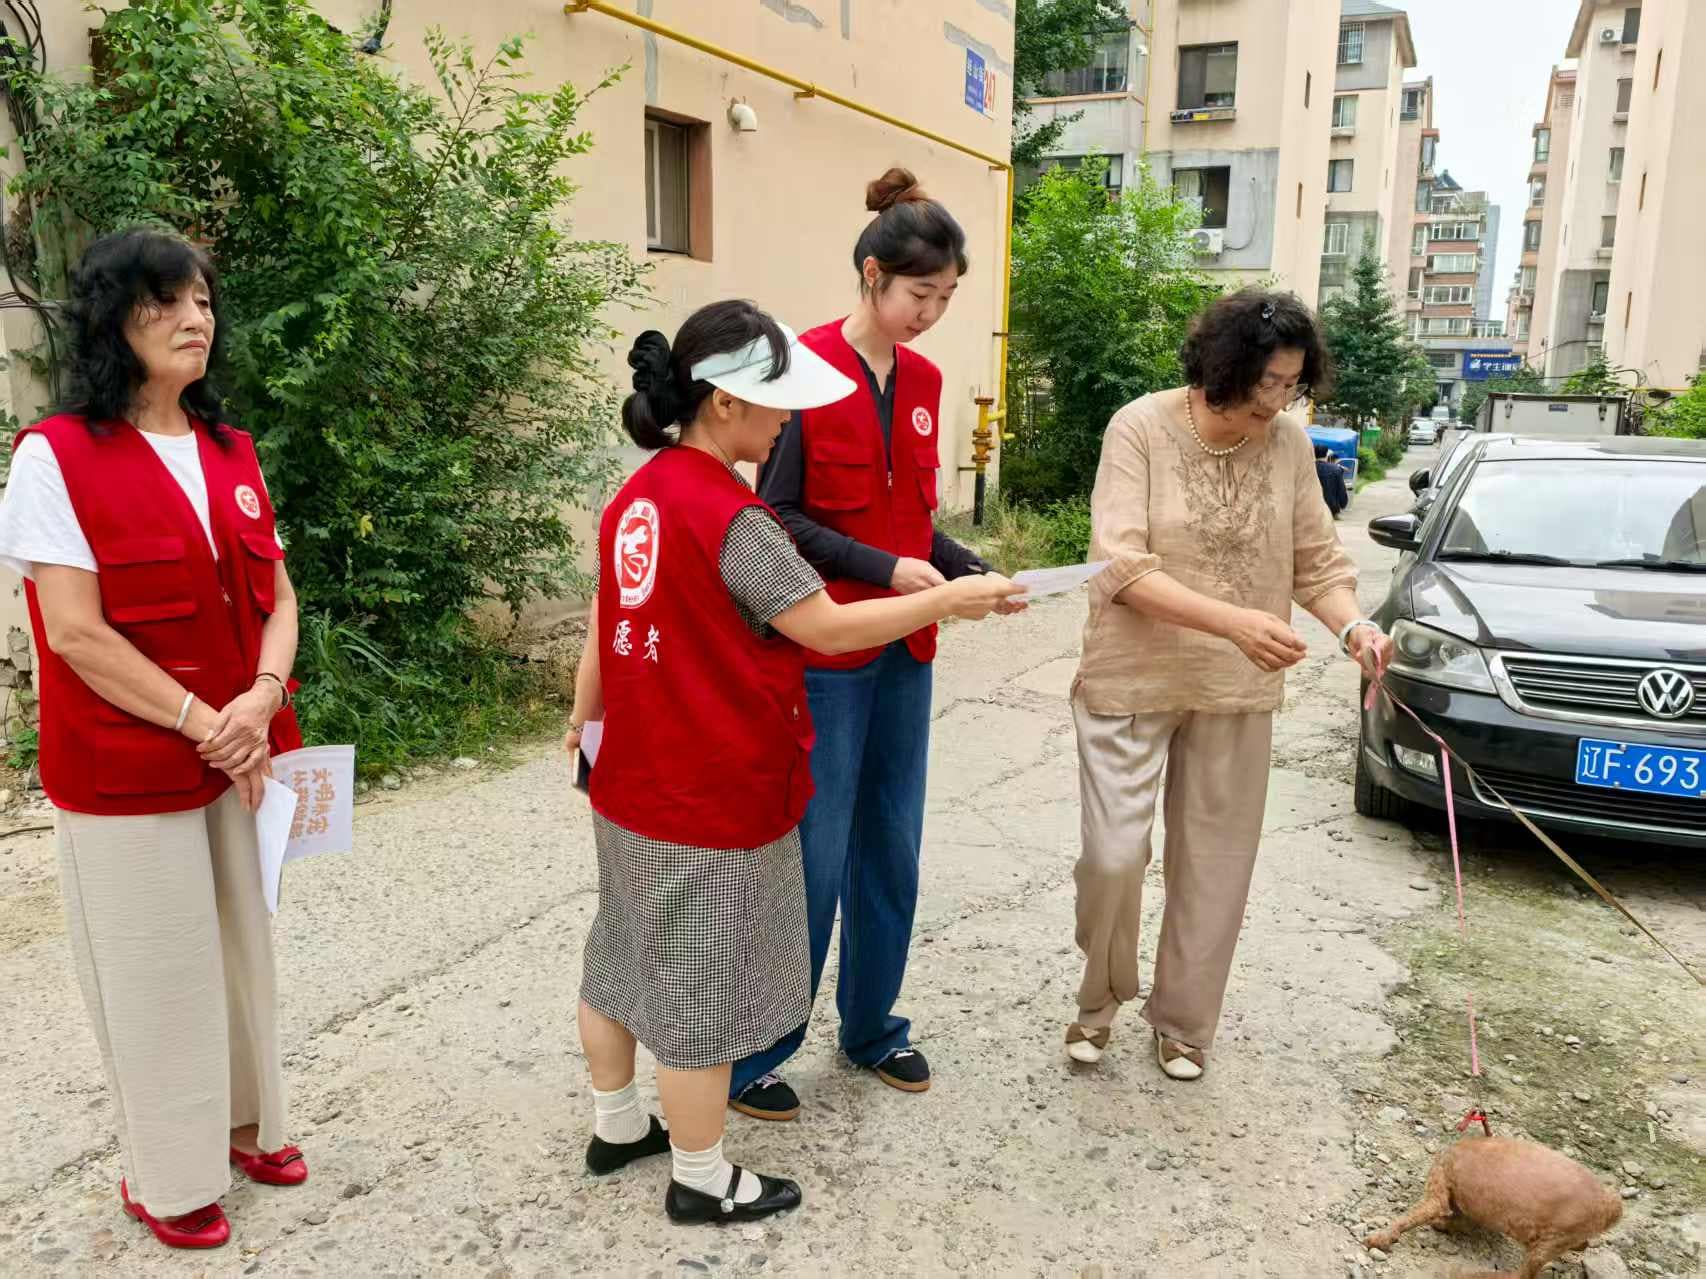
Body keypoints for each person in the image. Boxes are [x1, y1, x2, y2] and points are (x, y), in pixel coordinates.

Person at [565, 300, 1020, 1224]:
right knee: (700, 987)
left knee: (618, 955)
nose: (787, 422)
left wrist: (582, 725)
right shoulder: (735, 519)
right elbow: (829, 627)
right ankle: (701, 1177)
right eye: (777, 404)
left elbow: (605, 626)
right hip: (710, 786)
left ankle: (618, 1124)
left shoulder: (637, 495)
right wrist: (946, 603)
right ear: (726, 402)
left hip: (629, 776)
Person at [0, 229, 306, 1249]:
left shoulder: (229, 449)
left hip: (238, 752)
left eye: (203, 301)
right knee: (155, 969)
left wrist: (260, 697)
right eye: (165, 300)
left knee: (241, 949)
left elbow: (278, 596)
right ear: (111, 318)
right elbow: (75, 631)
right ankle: (168, 1176)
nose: (194, 318)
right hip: (127, 766)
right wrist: (204, 722)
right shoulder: (55, 456)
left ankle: (250, 1124)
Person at [725, 167, 1019, 1122]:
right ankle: (758, 1052)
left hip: (906, 653)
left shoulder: (926, 382)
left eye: (947, 298)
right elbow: (774, 518)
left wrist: (966, 568)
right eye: (919, 294)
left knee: (891, 841)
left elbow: (912, 518)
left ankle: (871, 1028)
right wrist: (885, 569)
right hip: (826, 654)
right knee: (813, 853)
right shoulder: (802, 372)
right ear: (871, 276)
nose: (931, 314)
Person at [1063, 290, 1395, 1081]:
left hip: (1238, 686)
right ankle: (1098, 999)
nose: (1278, 401)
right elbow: (1120, 564)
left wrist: (1354, 627)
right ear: (1222, 368)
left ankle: (1183, 1022)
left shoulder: (1288, 446)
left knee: (1216, 862)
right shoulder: (1140, 427)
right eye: (1266, 383)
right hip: (1132, 672)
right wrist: (1235, 621)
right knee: (1113, 855)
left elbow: (1318, 564)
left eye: (1292, 384)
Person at [1314, 443, 1350, 517]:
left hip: (1312, 507)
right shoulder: (1336, 469)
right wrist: (1343, 504)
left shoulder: (1308, 468)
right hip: (1331, 508)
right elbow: (1341, 489)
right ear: (1327, 454)